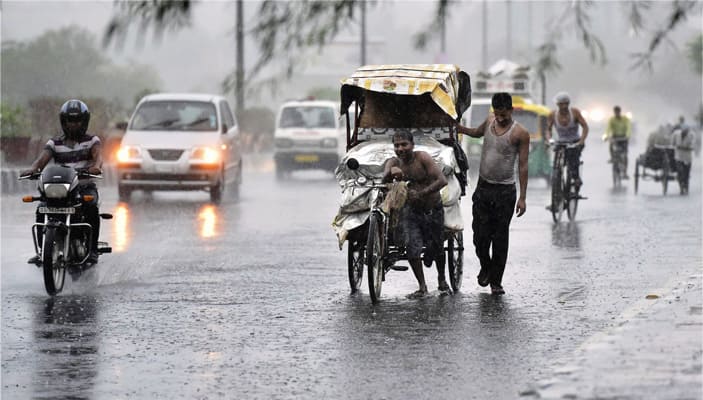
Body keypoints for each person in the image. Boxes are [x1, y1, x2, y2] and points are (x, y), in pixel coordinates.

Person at [456, 92, 530, 295]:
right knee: (480, 236)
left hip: (505, 191)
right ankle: (486, 266)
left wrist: (522, 198)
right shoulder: (489, 120)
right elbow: (477, 133)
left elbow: (523, 166)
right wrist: (459, 128)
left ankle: (496, 281)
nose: (500, 118)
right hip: (483, 188)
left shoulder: (520, 133)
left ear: (511, 110)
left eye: (504, 115)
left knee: (499, 238)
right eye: (497, 114)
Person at [21, 99, 103, 266]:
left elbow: (98, 159)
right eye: (69, 120)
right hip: (60, 188)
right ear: (63, 121)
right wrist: (33, 169)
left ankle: (93, 250)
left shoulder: (92, 141)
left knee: (92, 207)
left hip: (83, 187)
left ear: (84, 121)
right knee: (41, 208)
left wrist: (96, 167)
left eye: (77, 120)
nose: (73, 124)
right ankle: (41, 252)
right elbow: (41, 161)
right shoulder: (54, 143)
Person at [382, 130, 448, 298]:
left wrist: (422, 193)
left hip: (433, 209)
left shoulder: (422, 158)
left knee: (438, 248)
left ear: (412, 145)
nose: (400, 148)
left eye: (404, 144)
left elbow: (442, 180)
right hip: (411, 211)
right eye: (396, 145)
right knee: (412, 249)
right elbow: (384, 181)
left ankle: (442, 279)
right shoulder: (393, 161)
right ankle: (422, 286)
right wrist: (391, 173)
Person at [546, 92, 589, 187]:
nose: (564, 106)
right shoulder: (552, 114)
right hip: (561, 141)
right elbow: (548, 129)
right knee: (557, 159)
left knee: (573, 159)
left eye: (566, 103)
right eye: (561, 104)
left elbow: (585, 127)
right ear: (557, 104)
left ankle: (575, 177)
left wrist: (582, 141)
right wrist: (549, 140)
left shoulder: (575, 112)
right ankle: (557, 177)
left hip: (575, 141)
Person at [603, 105, 632, 178]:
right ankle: (612, 157)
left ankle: (625, 172)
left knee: (625, 155)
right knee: (611, 145)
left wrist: (628, 135)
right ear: (614, 112)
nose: (617, 113)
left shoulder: (625, 119)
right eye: (615, 112)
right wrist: (606, 136)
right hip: (615, 137)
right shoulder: (611, 119)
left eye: (618, 112)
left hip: (624, 137)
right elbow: (608, 128)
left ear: (620, 112)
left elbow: (628, 127)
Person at [672, 125, 694, 195]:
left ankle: (686, 187)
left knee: (686, 174)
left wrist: (687, 147)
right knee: (680, 172)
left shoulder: (691, 135)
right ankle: (681, 188)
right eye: (683, 131)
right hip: (679, 156)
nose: (685, 132)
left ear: (688, 130)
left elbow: (693, 145)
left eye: (686, 131)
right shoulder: (676, 133)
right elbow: (672, 143)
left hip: (687, 157)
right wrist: (676, 146)